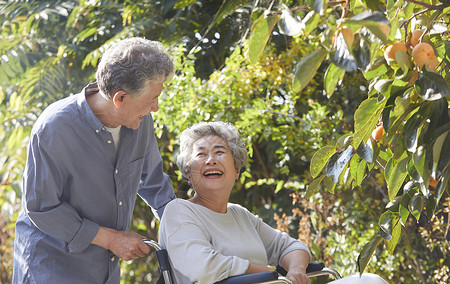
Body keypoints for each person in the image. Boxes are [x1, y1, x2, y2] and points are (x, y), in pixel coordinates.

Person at [13, 37, 177, 284]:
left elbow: (154, 185)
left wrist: (184, 228)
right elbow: (41, 207)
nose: (155, 107)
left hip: (104, 270)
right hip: (50, 267)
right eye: (151, 99)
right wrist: (112, 240)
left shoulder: (140, 120)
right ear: (120, 98)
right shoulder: (54, 129)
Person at [158, 121, 312, 284]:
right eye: (201, 154)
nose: (211, 160)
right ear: (188, 172)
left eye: (219, 152)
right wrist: (263, 271)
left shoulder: (241, 215)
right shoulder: (179, 211)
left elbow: (292, 247)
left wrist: (296, 271)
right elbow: (203, 267)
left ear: (237, 169)